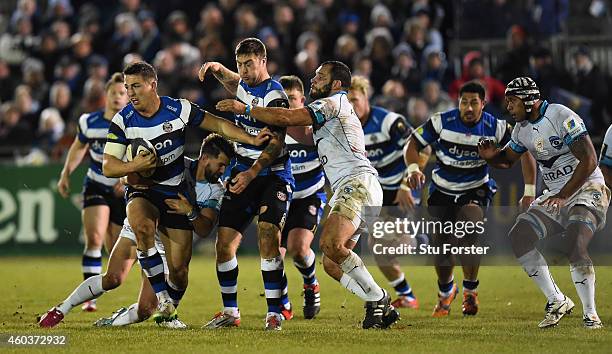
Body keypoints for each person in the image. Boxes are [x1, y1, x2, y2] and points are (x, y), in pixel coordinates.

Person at [217, 60, 400, 330]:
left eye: (320, 76)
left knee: (329, 244)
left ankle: (378, 298)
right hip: (354, 187)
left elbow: (287, 118)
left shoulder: (333, 102)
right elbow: (301, 134)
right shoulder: (330, 112)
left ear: (336, 84)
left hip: (357, 183)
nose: (313, 79)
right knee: (331, 264)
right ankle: (378, 302)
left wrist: (244, 108)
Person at [101, 61, 270, 325]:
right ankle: (165, 302)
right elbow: (109, 166)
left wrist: (250, 139)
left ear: (152, 85)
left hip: (174, 195)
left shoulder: (178, 109)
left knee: (179, 272)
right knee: (143, 228)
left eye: (136, 86)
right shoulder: (122, 120)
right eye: (127, 87)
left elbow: (218, 125)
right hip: (143, 192)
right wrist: (136, 165)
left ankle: (164, 304)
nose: (131, 93)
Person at [39, 134, 234, 329]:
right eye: (221, 164)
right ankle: (61, 309)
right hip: (144, 224)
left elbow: (204, 228)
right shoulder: (175, 166)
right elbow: (133, 175)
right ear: (206, 158)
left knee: (147, 309)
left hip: (166, 239)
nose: (223, 171)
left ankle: (120, 319)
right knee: (113, 278)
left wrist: (190, 211)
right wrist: (127, 178)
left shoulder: (215, 190)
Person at [478, 77, 610, 329]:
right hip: (557, 193)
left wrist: (562, 195)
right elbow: (507, 160)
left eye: (513, 101)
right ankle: (557, 300)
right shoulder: (521, 129)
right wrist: (491, 157)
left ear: (529, 101)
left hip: (587, 187)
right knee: (519, 237)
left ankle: (591, 314)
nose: (509, 107)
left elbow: (590, 160)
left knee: (575, 241)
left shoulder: (561, 115)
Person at [405, 80, 537, 318]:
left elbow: (524, 149)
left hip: (476, 188)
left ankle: (469, 291)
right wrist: (413, 167)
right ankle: (446, 292)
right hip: (442, 189)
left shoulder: (496, 126)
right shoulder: (441, 122)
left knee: (469, 227)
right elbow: (413, 142)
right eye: (463, 102)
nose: (468, 107)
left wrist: (529, 189)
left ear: (483, 104)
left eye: (473, 102)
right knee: (441, 245)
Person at [199, 38, 294, 331]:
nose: (244, 70)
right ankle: (231, 312)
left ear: (263, 62)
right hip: (243, 173)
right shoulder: (244, 84)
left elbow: (276, 143)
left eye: (249, 64)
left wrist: (252, 172)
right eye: (240, 64)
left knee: (268, 236)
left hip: (272, 175)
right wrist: (216, 68)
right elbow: (233, 80)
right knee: (224, 243)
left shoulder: (275, 95)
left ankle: (274, 313)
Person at [55, 72, 128, 312]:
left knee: (114, 250)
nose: (117, 97)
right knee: (94, 239)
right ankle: (90, 299)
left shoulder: (132, 122)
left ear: (128, 98)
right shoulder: (89, 122)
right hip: (96, 184)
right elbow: (79, 146)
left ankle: (97, 287)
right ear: (105, 95)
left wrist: (127, 178)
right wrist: (66, 173)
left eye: (122, 93)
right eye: (113, 93)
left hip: (121, 190)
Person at [348, 75, 422, 309]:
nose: (351, 106)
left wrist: (404, 185)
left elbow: (422, 148)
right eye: (346, 101)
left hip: (401, 187)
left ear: (366, 98)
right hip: (374, 192)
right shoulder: (346, 126)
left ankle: (420, 241)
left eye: (355, 100)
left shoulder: (388, 121)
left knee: (387, 242)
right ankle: (407, 295)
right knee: (377, 248)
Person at [278, 75, 324, 319]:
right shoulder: (273, 128)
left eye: (292, 99)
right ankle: (282, 302)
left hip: (309, 196)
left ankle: (311, 285)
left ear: (303, 100)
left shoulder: (313, 128)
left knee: (298, 248)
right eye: (282, 101)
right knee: (273, 254)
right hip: (279, 197)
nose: (287, 106)